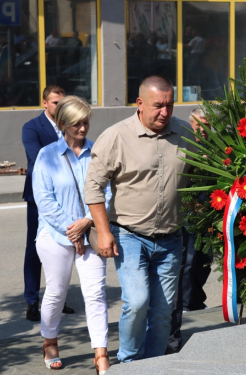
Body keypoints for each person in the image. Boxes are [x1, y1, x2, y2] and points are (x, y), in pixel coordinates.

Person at [84, 75, 196, 362]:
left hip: (171, 238)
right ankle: (130, 362)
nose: (165, 112)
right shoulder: (117, 136)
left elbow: (201, 175)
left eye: (170, 105)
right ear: (140, 103)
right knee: (137, 302)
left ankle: (155, 363)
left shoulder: (185, 133)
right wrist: (103, 231)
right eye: (158, 105)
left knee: (163, 310)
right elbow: (93, 187)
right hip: (130, 236)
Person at [33, 96, 111, 373]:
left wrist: (88, 223)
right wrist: (73, 231)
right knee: (56, 292)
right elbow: (44, 201)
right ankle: (50, 341)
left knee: (96, 294)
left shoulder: (97, 153)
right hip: (54, 236)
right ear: (63, 124)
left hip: (90, 234)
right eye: (77, 123)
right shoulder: (47, 156)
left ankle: (101, 354)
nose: (83, 128)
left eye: (86, 122)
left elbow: (108, 193)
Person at [21, 85, 75, 321]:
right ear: (44, 103)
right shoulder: (32, 127)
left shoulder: (72, 125)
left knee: (65, 247)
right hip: (39, 196)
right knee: (35, 248)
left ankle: (58, 298)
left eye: (63, 102)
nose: (60, 107)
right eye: (55, 103)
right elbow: (40, 159)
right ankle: (32, 301)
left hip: (68, 196)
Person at [168, 107, 213, 354]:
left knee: (205, 258)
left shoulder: (213, 146)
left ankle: (196, 298)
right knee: (189, 257)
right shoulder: (183, 144)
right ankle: (187, 302)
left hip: (209, 209)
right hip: (187, 210)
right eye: (199, 126)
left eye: (207, 126)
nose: (203, 131)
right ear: (190, 124)